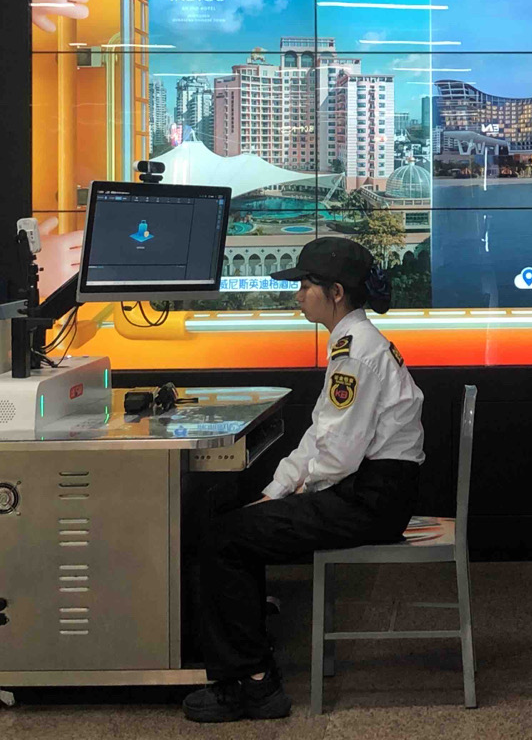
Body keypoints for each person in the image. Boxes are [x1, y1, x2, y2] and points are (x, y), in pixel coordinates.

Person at [183, 237, 425, 722]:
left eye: (305, 285)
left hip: (370, 499)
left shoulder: (356, 353)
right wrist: (274, 492)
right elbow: (320, 435)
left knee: (227, 538)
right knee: (234, 523)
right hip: (367, 490)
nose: (297, 294)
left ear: (336, 293)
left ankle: (254, 685)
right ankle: (248, 655)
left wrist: (292, 492)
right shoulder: (353, 344)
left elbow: (337, 456)